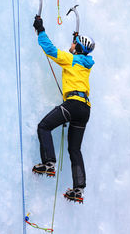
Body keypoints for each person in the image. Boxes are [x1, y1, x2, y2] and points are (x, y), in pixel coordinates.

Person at [32, 15, 95, 203]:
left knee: (43, 126)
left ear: (78, 48)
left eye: (74, 43)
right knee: (74, 149)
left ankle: (49, 162)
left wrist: (40, 30)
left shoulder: (71, 59)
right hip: (85, 109)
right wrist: (76, 39)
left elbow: (50, 50)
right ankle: (79, 189)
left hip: (73, 104)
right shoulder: (85, 64)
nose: (71, 44)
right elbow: (77, 53)